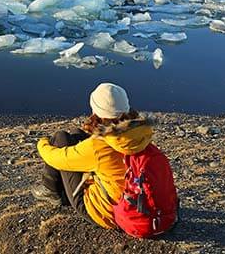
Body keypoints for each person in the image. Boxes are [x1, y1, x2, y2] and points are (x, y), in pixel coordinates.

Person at [32, 82, 154, 230]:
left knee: (60, 138)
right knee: (77, 134)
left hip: (108, 213)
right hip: (137, 202)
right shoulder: (140, 135)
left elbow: (56, 158)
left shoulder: (98, 146)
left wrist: (42, 143)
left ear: (97, 110)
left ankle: (51, 191)